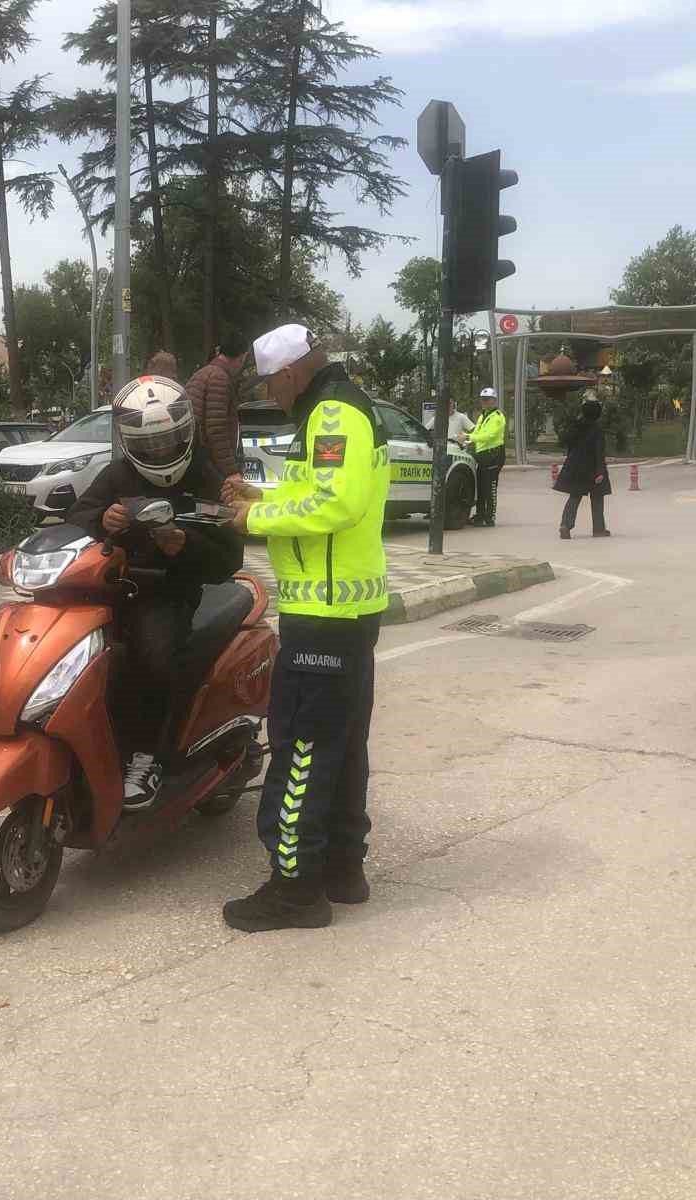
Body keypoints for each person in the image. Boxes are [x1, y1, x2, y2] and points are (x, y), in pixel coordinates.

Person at [220, 323, 391, 932]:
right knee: (342, 748)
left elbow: (334, 506)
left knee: (300, 749)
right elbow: (316, 489)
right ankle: (344, 870)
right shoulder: (336, 407)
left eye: (270, 384)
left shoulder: (335, 416)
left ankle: (294, 890)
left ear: (290, 372)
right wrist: (256, 490)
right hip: (343, 613)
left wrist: (255, 516)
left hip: (324, 616)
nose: (271, 394)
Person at [67, 377, 244, 807]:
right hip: (113, 588)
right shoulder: (118, 473)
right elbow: (77, 516)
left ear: (185, 433)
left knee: (153, 656)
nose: (161, 453)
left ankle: (148, 756)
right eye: (150, 444)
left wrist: (186, 546)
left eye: (168, 442)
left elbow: (229, 559)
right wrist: (101, 519)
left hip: (171, 590)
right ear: (129, 442)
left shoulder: (206, 477)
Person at [185, 333, 250, 483]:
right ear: (242, 357)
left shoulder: (203, 373)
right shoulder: (219, 379)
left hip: (195, 461)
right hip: (207, 467)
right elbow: (216, 429)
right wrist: (231, 472)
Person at [555, 399, 613, 540]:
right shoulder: (597, 430)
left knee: (574, 496)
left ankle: (565, 525)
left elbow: (565, 442)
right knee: (597, 497)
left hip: (575, 466)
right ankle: (598, 529)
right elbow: (599, 451)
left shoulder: (576, 426)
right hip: (592, 467)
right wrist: (600, 471)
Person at [467, 386, 507, 526]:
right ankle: (479, 516)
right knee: (481, 486)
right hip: (483, 455)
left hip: (494, 454)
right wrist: (468, 439)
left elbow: (489, 435)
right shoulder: (482, 416)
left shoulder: (497, 417)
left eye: (488, 400)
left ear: (494, 400)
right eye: (483, 400)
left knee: (490, 487)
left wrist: (469, 437)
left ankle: (490, 517)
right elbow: (477, 433)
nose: (485, 402)